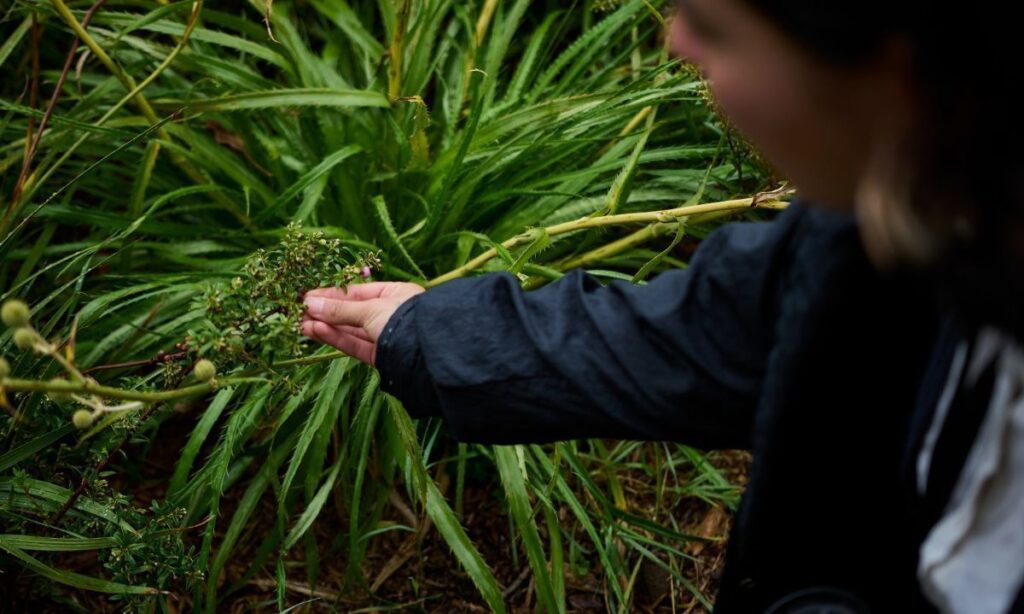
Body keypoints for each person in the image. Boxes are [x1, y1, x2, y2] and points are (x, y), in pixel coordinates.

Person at [300, 1, 1024, 611]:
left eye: (712, 26)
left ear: (898, 76)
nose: (673, 39)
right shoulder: (890, 214)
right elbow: (699, 336)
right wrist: (434, 334)